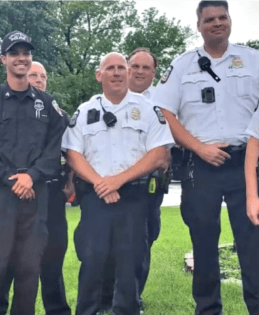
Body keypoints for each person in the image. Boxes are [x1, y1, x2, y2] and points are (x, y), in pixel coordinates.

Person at [152, 1, 259, 314]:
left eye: (222, 17)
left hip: (246, 164)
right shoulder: (183, 65)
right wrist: (199, 147)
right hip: (201, 165)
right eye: (209, 19)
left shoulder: (252, 60)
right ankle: (208, 309)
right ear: (199, 25)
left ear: (230, 21)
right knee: (203, 240)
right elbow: (164, 112)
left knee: (252, 240)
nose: (217, 23)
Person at [63, 52, 174, 315]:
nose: (116, 72)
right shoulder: (85, 111)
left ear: (127, 73)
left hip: (134, 198)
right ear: (98, 75)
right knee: (92, 260)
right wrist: (101, 183)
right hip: (94, 197)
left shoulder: (148, 110)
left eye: (121, 68)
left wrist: (118, 181)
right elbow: (72, 153)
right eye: (109, 68)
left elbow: (158, 153)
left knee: (130, 264)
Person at [0, 31, 65, 315]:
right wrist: (13, 179)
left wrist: (32, 176)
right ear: (4, 59)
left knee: (29, 267)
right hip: (2, 194)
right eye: (15, 53)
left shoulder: (48, 104)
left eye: (26, 52)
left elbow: (55, 146)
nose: (21, 58)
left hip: (37, 194)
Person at [0, 61, 73, 315]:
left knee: (52, 255)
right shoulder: (3, 108)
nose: (39, 80)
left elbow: (73, 151)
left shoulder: (58, 113)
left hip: (50, 193)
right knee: (8, 257)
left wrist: (70, 181)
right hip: (15, 194)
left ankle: (57, 310)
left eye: (43, 76)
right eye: (34, 75)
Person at [100, 48, 168, 313]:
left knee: (144, 239)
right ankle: (107, 297)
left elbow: (164, 149)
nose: (139, 72)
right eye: (134, 66)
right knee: (107, 241)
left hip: (149, 186)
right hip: (110, 186)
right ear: (126, 69)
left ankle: (132, 297)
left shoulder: (162, 104)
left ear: (153, 73)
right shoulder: (108, 101)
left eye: (145, 68)